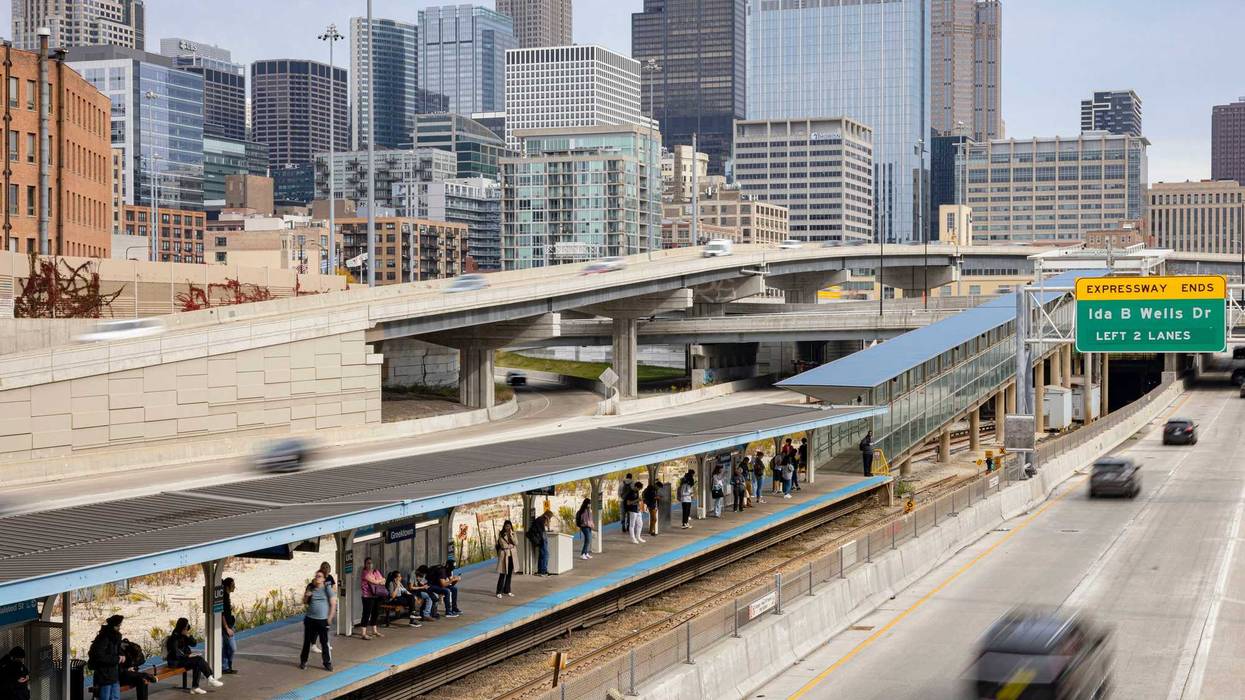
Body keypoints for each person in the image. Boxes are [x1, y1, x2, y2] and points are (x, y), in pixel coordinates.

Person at [165, 618, 222, 694]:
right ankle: (209, 678)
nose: (187, 627)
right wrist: (188, 656)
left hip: (182, 659)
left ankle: (195, 687)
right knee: (198, 660)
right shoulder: (174, 638)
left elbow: (194, 644)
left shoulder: (183, 635)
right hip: (175, 662)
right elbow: (176, 653)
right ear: (182, 627)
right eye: (186, 626)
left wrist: (188, 635)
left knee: (197, 662)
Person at [299, 570, 336, 671]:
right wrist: (307, 595)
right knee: (307, 642)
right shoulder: (311, 587)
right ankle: (303, 661)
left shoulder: (327, 589)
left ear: (324, 578)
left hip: (322, 620)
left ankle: (327, 663)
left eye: (319, 576)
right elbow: (305, 602)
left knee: (324, 642)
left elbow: (333, 603)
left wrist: (330, 617)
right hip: (310, 619)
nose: (317, 577)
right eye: (316, 576)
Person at [88, 614, 125, 700]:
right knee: (106, 697)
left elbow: (117, 649)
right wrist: (117, 659)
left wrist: (122, 655)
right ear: (113, 626)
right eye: (118, 626)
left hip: (113, 673)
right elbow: (99, 656)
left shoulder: (115, 637)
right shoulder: (104, 638)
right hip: (104, 674)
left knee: (115, 697)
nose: (120, 627)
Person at [357, 557, 386, 640]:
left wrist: (379, 580)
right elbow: (375, 582)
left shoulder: (376, 571)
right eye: (368, 563)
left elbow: (384, 580)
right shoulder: (365, 573)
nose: (370, 564)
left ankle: (374, 631)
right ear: (365, 564)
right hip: (367, 596)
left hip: (376, 595)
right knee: (366, 614)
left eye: (371, 563)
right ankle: (363, 633)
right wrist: (378, 580)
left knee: (375, 612)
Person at [310, 562, 334, 655]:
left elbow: (333, 588)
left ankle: (325, 642)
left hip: (327, 604)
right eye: (325, 568)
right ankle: (313, 645)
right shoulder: (317, 579)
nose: (327, 570)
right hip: (318, 606)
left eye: (328, 568)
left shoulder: (330, 578)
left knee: (326, 625)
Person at [496, 520, 518, 597]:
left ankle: (507, 590)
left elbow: (516, 543)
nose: (508, 528)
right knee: (502, 573)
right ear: (504, 526)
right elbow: (503, 545)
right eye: (506, 526)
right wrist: (510, 546)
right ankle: (498, 591)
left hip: (512, 556)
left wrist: (511, 536)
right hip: (504, 556)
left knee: (509, 574)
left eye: (509, 526)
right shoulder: (501, 534)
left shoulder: (513, 533)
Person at [220, 577, 237, 675]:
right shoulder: (223, 598)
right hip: (227, 626)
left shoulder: (227, 596)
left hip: (230, 624)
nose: (234, 587)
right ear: (227, 586)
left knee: (226, 647)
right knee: (232, 647)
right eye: (233, 585)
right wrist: (226, 628)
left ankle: (226, 667)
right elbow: (222, 614)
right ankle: (226, 665)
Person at [527, 511, 551, 576]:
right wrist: (548, 522)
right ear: (547, 516)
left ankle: (540, 570)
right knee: (545, 555)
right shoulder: (541, 520)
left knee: (542, 555)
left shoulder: (539, 519)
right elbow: (542, 531)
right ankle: (543, 571)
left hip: (540, 540)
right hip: (541, 540)